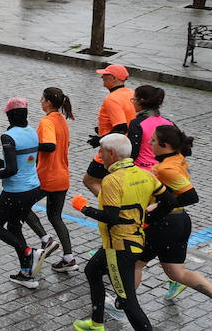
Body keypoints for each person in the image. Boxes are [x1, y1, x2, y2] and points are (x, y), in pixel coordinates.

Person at [71, 133, 175, 331]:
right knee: (92, 271)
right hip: (126, 241)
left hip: (119, 247)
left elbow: (112, 217)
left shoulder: (111, 181)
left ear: (111, 154)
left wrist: (83, 208)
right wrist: (145, 219)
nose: (99, 156)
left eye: (102, 152)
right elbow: (169, 201)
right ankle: (97, 324)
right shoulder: (144, 174)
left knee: (128, 301)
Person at [123, 125, 212, 328]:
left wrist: (157, 208)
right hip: (180, 222)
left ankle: (121, 305)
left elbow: (191, 196)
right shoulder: (177, 157)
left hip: (164, 224)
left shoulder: (166, 168)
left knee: (135, 264)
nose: (149, 143)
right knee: (177, 273)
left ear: (165, 145)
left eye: (154, 141)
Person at [0, 97, 57, 289]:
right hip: (33, 188)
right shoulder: (32, 132)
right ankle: (26, 274)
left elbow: (12, 170)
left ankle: (28, 251)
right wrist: (3, 164)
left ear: (9, 115)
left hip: (15, 191)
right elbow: (27, 160)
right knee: (14, 227)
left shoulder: (8, 137)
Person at [37, 88, 79, 273]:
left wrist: (30, 143)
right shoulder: (62, 120)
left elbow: (49, 145)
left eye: (42, 98)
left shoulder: (47, 121)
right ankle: (68, 258)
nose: (40, 101)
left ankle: (46, 240)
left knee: (20, 207)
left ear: (47, 102)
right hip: (62, 176)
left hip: (47, 177)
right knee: (55, 216)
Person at [83, 64, 136, 196]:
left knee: (90, 180)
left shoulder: (112, 99)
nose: (102, 77)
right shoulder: (131, 93)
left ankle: (111, 207)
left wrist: (100, 139)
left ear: (114, 78)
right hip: (126, 148)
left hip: (110, 150)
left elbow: (121, 127)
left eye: (105, 75)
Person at [125, 85, 172, 169]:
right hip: (161, 169)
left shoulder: (137, 123)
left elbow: (133, 152)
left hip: (141, 169)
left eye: (134, 99)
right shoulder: (169, 123)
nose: (133, 102)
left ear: (141, 101)